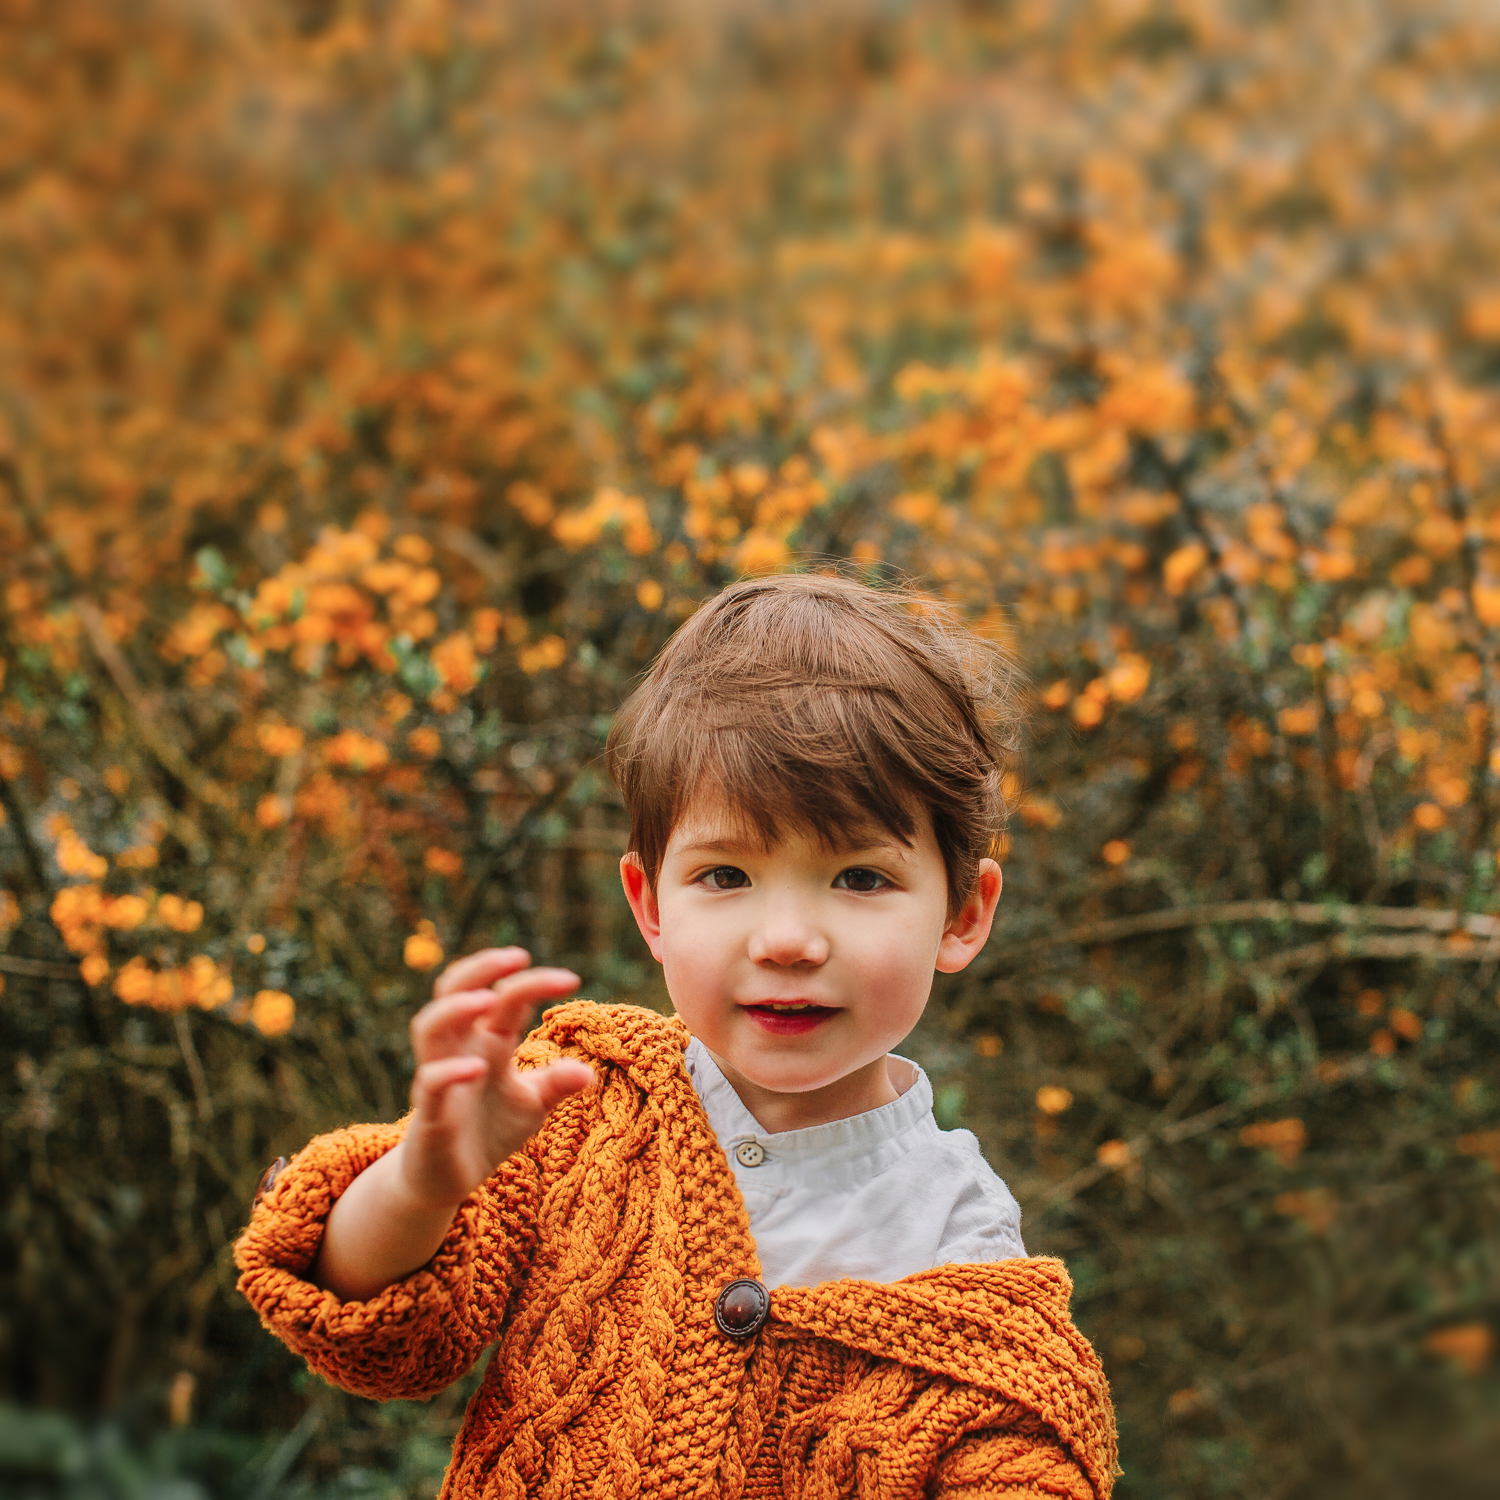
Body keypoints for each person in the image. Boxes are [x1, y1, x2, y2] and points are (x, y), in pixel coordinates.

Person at [235, 572, 1118, 1499]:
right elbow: (379, 1332)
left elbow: (1021, 1453)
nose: (785, 941)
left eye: (859, 878)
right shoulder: (583, 1101)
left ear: (962, 915)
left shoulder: (954, 1236)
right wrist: (423, 1179)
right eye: (726, 876)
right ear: (650, 905)